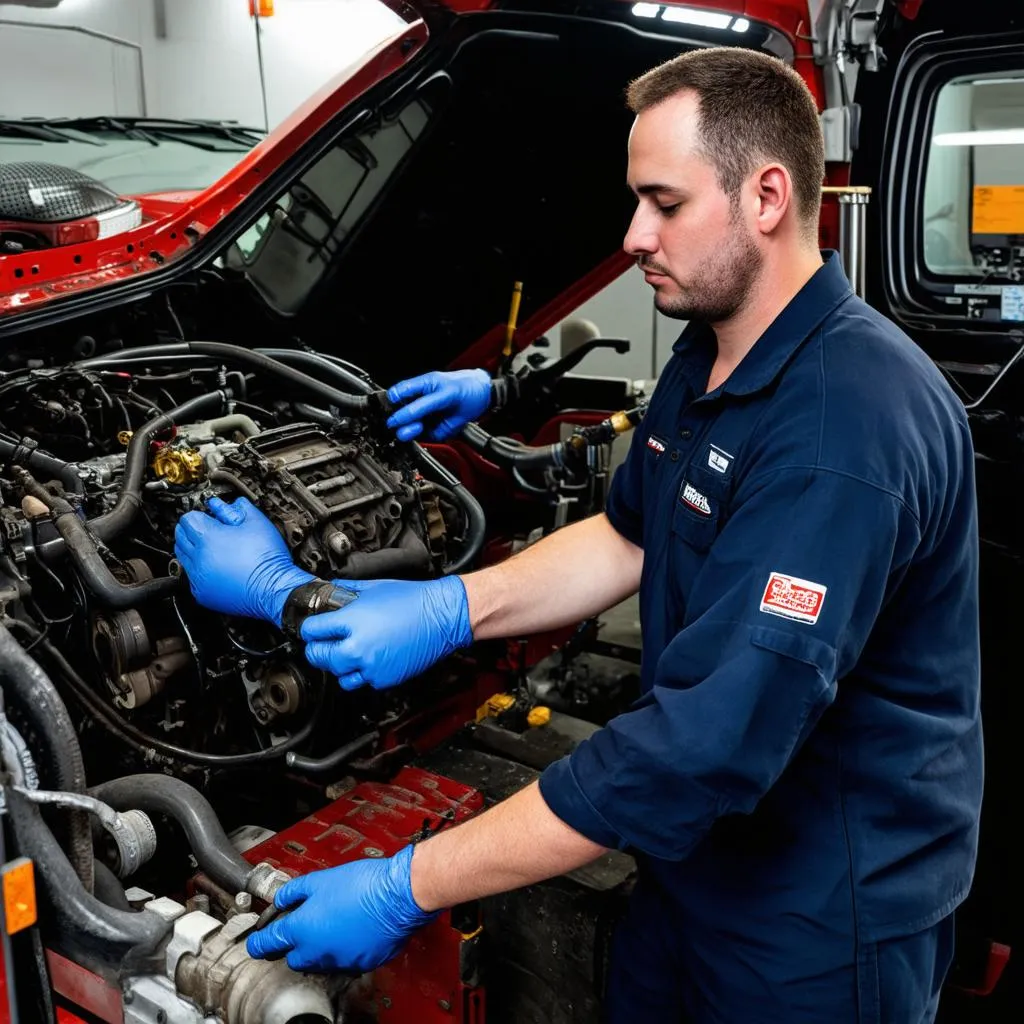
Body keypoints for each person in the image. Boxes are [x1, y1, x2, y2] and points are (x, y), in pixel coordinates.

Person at [174, 46, 983, 1023]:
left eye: (664, 202)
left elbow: (695, 750)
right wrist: (450, 604)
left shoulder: (841, 431)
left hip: (816, 920)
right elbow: (629, 534)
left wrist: (408, 882)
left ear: (767, 195)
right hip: (691, 867)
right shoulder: (717, 349)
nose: (634, 234)